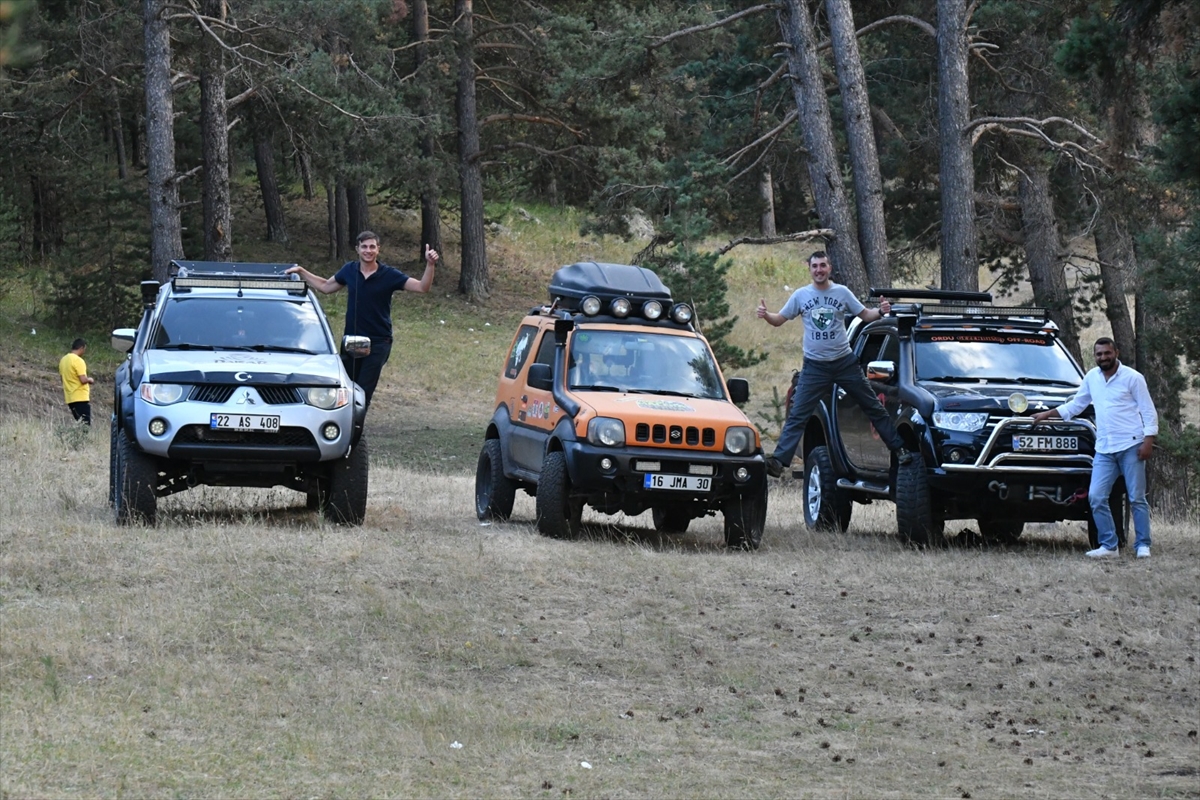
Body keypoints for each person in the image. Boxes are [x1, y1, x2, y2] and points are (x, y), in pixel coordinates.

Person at [757, 250, 912, 478]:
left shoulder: (841, 292)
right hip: (815, 367)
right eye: (815, 266)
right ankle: (779, 462)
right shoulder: (801, 295)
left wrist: (881, 311)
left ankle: (899, 449)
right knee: (799, 413)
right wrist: (766, 314)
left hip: (844, 364)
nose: (819, 270)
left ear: (829, 268)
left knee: (872, 406)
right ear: (809, 269)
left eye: (823, 265)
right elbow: (779, 320)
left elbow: (865, 315)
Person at [1031, 337, 1158, 559]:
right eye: (1099, 354)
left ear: (1116, 352)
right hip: (1105, 448)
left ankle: (1142, 544)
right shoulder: (1092, 378)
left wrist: (1148, 442)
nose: (1103, 358)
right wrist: (1048, 414)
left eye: (1107, 353)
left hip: (1131, 444)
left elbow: (1148, 411)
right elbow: (1077, 405)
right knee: (1097, 496)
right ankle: (1109, 545)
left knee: (1136, 497)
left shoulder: (1133, 378)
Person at [286, 232, 438, 408]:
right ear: (357, 249)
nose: (368, 250)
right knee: (347, 388)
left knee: (363, 390)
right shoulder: (349, 270)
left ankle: (357, 432)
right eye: (364, 247)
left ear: (378, 249)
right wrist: (301, 271)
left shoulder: (389, 275)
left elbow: (422, 287)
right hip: (352, 340)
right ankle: (346, 430)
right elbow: (326, 287)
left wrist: (430, 264)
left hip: (378, 341)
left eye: (372, 247)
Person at [59, 338, 96, 425]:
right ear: (82, 348)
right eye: (84, 350)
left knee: (79, 423)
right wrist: (90, 380)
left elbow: (62, 379)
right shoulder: (78, 360)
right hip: (80, 397)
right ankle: (82, 439)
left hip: (69, 398)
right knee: (85, 425)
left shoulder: (63, 360)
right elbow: (83, 380)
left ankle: (78, 438)